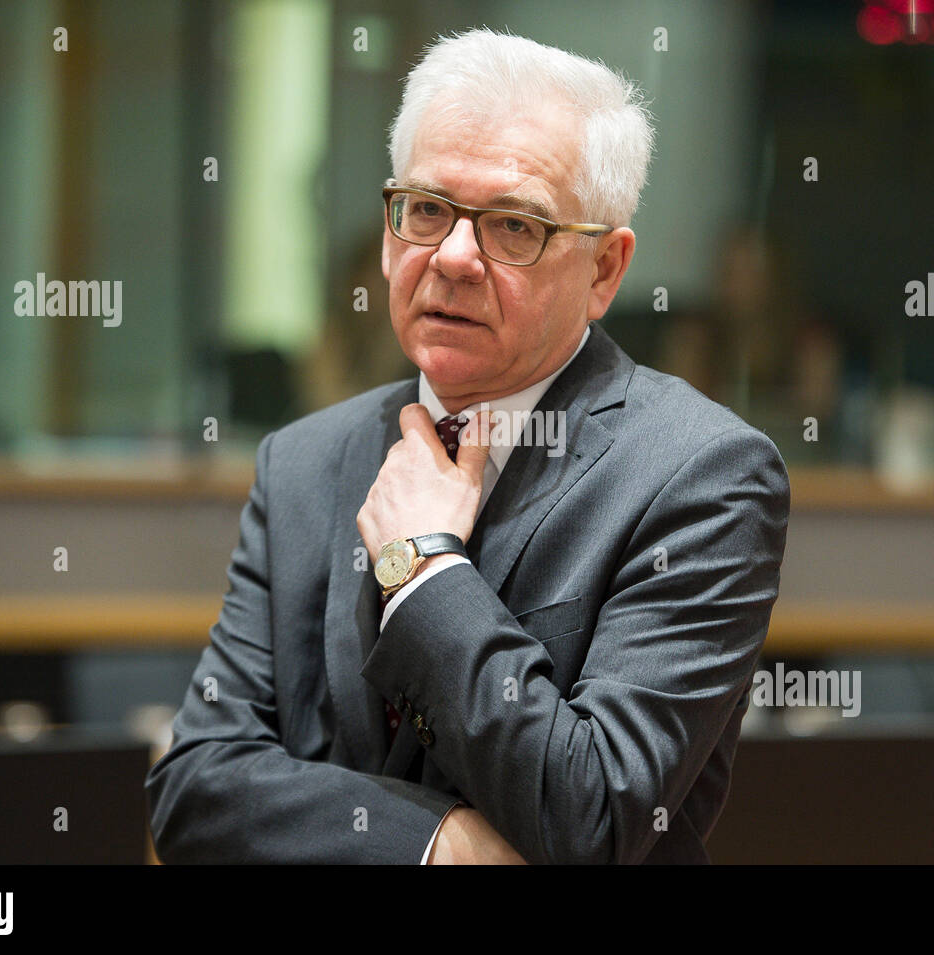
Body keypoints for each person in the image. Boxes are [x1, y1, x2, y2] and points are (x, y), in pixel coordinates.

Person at [147, 28, 789, 864]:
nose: (451, 257)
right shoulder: (304, 461)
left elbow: (593, 817)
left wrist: (424, 569)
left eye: (514, 226)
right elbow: (195, 785)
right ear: (388, 232)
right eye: (427, 210)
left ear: (605, 269)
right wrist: (432, 842)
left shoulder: (700, 475)